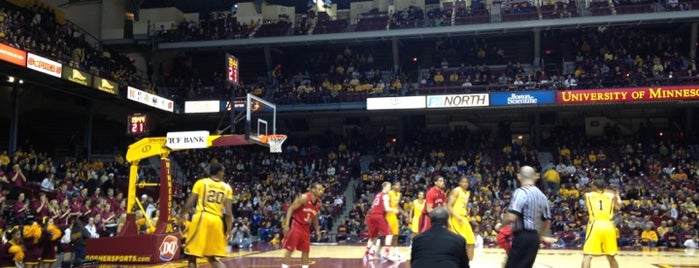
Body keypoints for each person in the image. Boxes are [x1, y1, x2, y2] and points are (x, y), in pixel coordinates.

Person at [496, 166, 556, 268]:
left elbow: (511, 217)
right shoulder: (542, 196)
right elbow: (547, 222)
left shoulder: (521, 192)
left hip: (522, 236)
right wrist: (540, 236)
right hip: (534, 238)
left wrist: (500, 226)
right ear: (534, 177)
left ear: (519, 176)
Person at [179, 163, 234, 268]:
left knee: (192, 255)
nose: (224, 173)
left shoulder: (201, 183)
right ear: (218, 172)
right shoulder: (227, 188)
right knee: (212, 257)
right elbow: (228, 212)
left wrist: (181, 216)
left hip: (203, 218)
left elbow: (189, 203)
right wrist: (229, 229)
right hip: (217, 221)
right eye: (223, 171)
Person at [281, 182, 325, 268]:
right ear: (313, 190)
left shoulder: (319, 202)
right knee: (290, 249)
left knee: (306, 250)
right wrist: (287, 224)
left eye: (322, 190)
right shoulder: (304, 197)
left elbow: (315, 216)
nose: (321, 191)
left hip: (306, 227)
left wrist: (317, 230)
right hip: (296, 224)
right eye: (319, 189)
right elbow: (291, 208)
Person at [581, 179, 620, 268]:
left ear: (594, 186)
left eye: (592, 185)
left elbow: (586, 191)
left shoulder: (588, 195)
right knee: (611, 256)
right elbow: (619, 206)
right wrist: (617, 195)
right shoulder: (611, 196)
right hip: (609, 225)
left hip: (595, 224)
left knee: (587, 256)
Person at [364, 182, 400, 261]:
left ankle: (367, 254)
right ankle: (387, 254)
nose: (390, 188)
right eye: (389, 187)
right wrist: (395, 210)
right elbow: (387, 208)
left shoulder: (377, 195)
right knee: (389, 234)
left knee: (373, 237)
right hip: (378, 216)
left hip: (371, 216)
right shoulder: (385, 195)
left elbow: (373, 206)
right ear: (385, 187)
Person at [447, 176, 476, 261]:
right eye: (463, 182)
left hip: (464, 219)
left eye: (466, 182)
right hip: (456, 219)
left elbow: (461, 205)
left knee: (471, 242)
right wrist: (455, 217)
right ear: (459, 183)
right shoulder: (456, 191)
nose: (465, 183)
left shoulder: (467, 193)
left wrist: (466, 212)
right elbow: (448, 206)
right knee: (459, 242)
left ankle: (469, 263)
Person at [385, 181, 409, 260]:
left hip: (394, 216)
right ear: (393, 186)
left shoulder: (399, 194)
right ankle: (379, 251)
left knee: (395, 234)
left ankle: (395, 251)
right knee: (387, 234)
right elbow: (385, 205)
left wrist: (404, 213)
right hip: (387, 215)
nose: (399, 187)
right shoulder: (389, 193)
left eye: (400, 185)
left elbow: (397, 206)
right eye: (397, 185)